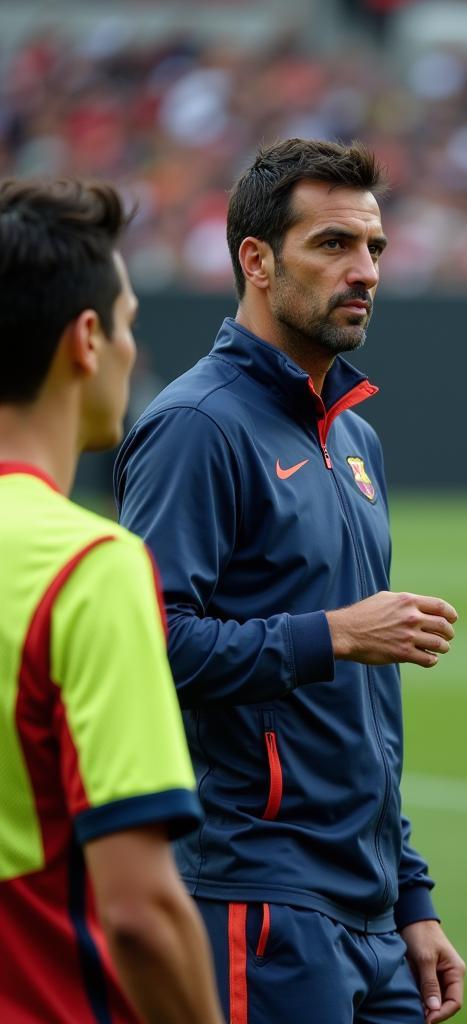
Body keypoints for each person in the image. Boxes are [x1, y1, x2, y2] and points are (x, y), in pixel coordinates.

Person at [115, 140, 464, 1024]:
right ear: (257, 261)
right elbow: (147, 642)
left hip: (372, 913)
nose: (365, 272)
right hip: (257, 897)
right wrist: (336, 633)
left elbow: (365, 720)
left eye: (375, 249)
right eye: (334, 245)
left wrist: (410, 897)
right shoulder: (197, 425)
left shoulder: (354, 438)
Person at [0, 179, 223, 1023]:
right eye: (129, 322)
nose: (134, 348)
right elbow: (142, 914)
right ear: (87, 340)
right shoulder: (88, 563)